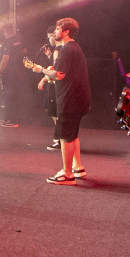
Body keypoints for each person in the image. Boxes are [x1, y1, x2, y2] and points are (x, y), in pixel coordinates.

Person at [29, 18, 90, 185]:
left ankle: (67, 175)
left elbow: (59, 75)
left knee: (65, 137)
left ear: (66, 31)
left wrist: (41, 70)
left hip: (70, 99)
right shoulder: (74, 47)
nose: (54, 32)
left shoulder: (67, 49)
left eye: (57, 29)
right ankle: (78, 167)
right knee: (72, 136)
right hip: (78, 98)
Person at [34, 27, 61, 151]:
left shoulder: (58, 50)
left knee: (56, 114)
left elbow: (57, 71)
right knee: (54, 113)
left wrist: (43, 76)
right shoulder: (58, 50)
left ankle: (60, 140)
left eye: (49, 36)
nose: (48, 39)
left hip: (57, 87)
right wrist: (49, 55)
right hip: (56, 86)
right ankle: (60, 139)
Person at [0, 22, 24, 127]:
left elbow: (5, 58)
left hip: (9, 73)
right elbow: (24, 52)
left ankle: (10, 120)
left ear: (4, 31)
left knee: (9, 96)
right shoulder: (19, 40)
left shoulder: (7, 42)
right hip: (19, 72)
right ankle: (9, 118)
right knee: (14, 95)